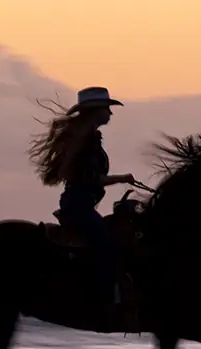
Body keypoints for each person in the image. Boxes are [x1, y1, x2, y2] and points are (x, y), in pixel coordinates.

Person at [27, 87, 138, 324]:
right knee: (106, 247)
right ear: (95, 111)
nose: (110, 112)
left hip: (81, 204)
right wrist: (122, 178)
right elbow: (89, 178)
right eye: (107, 108)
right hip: (78, 206)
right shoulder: (86, 142)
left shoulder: (89, 139)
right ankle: (105, 305)